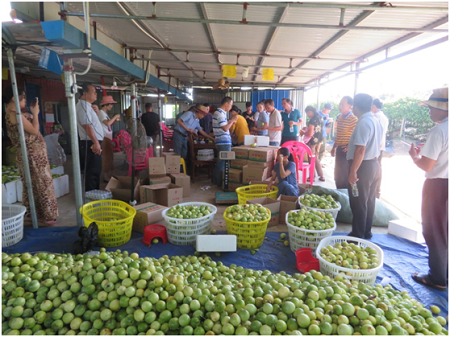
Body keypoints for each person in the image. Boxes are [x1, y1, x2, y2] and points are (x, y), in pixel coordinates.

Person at [409, 87, 448, 292]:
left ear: (444, 109)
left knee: (435, 230)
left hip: (439, 186)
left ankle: (438, 277)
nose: (430, 111)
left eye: (433, 107)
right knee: (445, 230)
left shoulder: (440, 130)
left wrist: (415, 156)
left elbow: (427, 165)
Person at [4, 86, 58, 226]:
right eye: (23, 98)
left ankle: (36, 215)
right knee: (41, 184)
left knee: (34, 185)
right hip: (32, 156)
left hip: (33, 155)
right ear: (14, 98)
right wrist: (36, 114)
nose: (25, 101)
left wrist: (32, 113)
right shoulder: (14, 115)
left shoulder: (16, 113)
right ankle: (44, 216)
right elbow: (34, 130)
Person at [347, 93, 382, 240]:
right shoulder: (375, 120)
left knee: (358, 201)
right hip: (374, 164)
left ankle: (357, 235)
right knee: (369, 200)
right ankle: (366, 231)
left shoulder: (363, 122)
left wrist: (353, 171)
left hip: (363, 167)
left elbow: (360, 149)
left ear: (355, 107)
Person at [77, 83, 104, 192]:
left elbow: (91, 123)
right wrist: (96, 142)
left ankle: (94, 193)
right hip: (90, 142)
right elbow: (87, 126)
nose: (95, 95)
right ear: (84, 93)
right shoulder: (83, 106)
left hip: (93, 141)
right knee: (92, 171)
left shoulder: (87, 106)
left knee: (96, 170)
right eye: (93, 93)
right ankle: (91, 196)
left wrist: (96, 113)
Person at [331, 96, 358, 189]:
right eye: (340, 104)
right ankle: (339, 192)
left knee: (344, 175)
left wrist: (349, 146)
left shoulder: (353, 119)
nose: (340, 106)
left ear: (350, 106)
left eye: (343, 104)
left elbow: (357, 136)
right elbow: (339, 134)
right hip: (339, 149)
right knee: (337, 175)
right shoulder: (340, 118)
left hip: (346, 151)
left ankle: (345, 196)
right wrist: (334, 147)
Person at [213, 97, 238, 187]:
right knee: (222, 163)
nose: (231, 107)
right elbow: (225, 128)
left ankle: (216, 181)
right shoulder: (220, 113)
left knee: (221, 162)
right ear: (226, 104)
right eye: (230, 105)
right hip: (223, 142)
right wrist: (232, 120)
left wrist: (230, 122)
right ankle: (219, 183)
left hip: (222, 141)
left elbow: (224, 126)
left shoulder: (220, 113)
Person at [97, 95, 121, 182]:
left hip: (108, 137)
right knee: (106, 158)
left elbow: (108, 125)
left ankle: (110, 174)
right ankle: (105, 176)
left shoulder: (104, 114)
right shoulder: (101, 113)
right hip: (104, 138)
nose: (111, 106)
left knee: (110, 157)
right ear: (106, 104)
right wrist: (115, 117)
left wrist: (114, 121)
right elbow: (107, 124)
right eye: (111, 104)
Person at [300, 106, 325, 182]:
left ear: (311, 111)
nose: (308, 115)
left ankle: (312, 176)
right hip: (319, 141)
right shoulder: (320, 117)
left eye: (308, 113)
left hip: (312, 142)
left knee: (311, 159)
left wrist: (303, 132)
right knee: (316, 158)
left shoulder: (312, 120)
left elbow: (310, 133)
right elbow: (317, 129)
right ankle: (321, 176)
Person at [372, 98, 389, 199]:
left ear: (373, 106)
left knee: (374, 169)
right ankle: (377, 191)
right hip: (381, 146)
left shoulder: (376, 117)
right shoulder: (384, 117)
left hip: (375, 147)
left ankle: (375, 191)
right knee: (378, 168)